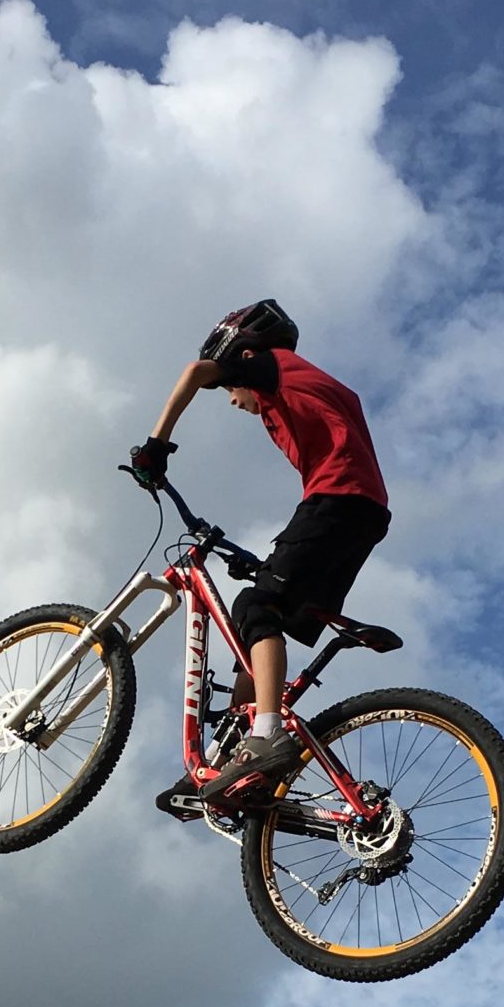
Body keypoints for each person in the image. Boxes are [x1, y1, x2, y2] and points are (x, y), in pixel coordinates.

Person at [128, 298, 391, 802]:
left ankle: (265, 734)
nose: (230, 399)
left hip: (335, 500)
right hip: (363, 514)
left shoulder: (266, 364)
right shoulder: (307, 385)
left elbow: (193, 372)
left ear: (242, 356)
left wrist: (156, 447)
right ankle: (233, 760)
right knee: (260, 623)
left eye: (229, 389)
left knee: (254, 606)